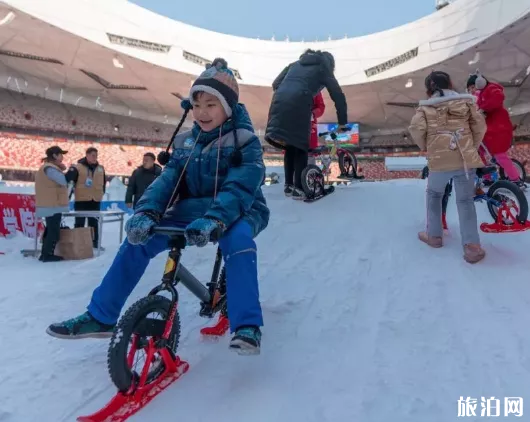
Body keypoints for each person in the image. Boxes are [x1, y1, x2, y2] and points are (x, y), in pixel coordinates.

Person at [46, 58, 270, 355]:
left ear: (227, 107)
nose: (201, 113)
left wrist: (216, 219)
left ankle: (246, 326)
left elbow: (240, 186)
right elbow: (168, 181)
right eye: (197, 104)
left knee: (238, 240)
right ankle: (101, 316)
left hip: (240, 207)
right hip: (195, 207)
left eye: (211, 105)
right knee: (139, 240)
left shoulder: (245, 142)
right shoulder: (185, 143)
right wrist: (146, 212)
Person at [409, 70, 487, 264]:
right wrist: (471, 146)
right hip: (465, 160)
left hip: (439, 161)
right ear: (450, 83)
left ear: (429, 89)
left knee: (435, 194)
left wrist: (426, 146)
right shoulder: (466, 102)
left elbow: (416, 129)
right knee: (465, 201)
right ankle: (472, 247)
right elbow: (480, 127)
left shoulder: (424, 108)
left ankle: (434, 236)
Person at [264, 49, 348, 199]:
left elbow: (275, 83)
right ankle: (299, 188)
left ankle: (288, 186)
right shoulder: (323, 68)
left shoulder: (294, 64)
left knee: (290, 145)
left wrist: (286, 93)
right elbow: (338, 96)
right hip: (299, 103)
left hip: (279, 103)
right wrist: (342, 123)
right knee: (301, 145)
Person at [466, 72, 523, 186]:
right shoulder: (474, 100)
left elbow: (497, 98)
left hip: (497, 131)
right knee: (477, 153)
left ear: (480, 83)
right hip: (486, 133)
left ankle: (516, 179)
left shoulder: (490, 89)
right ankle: (488, 177)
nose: (471, 90)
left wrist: (483, 109)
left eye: (473, 87)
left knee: (500, 156)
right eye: (469, 89)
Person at [66, 147, 106, 249]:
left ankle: (94, 243)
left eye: (96, 155)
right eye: (93, 155)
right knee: (80, 222)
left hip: (95, 200)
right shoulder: (78, 167)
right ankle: (78, 243)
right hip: (81, 200)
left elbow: (103, 183)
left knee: (94, 223)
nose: (95, 157)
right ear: (87, 155)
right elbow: (69, 181)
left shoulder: (101, 168)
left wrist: (101, 193)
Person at [35, 146, 70, 262]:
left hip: (50, 203)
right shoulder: (50, 168)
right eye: (61, 154)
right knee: (53, 231)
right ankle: (47, 254)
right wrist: (71, 172)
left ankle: (45, 253)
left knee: (50, 229)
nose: (62, 157)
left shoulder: (49, 167)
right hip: (52, 204)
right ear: (55, 155)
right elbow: (63, 180)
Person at [308, 92, 326, 165]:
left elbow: (321, 106)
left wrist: (312, 114)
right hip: (292, 133)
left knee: (310, 166)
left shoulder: (315, 88)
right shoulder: (288, 84)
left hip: (309, 129)